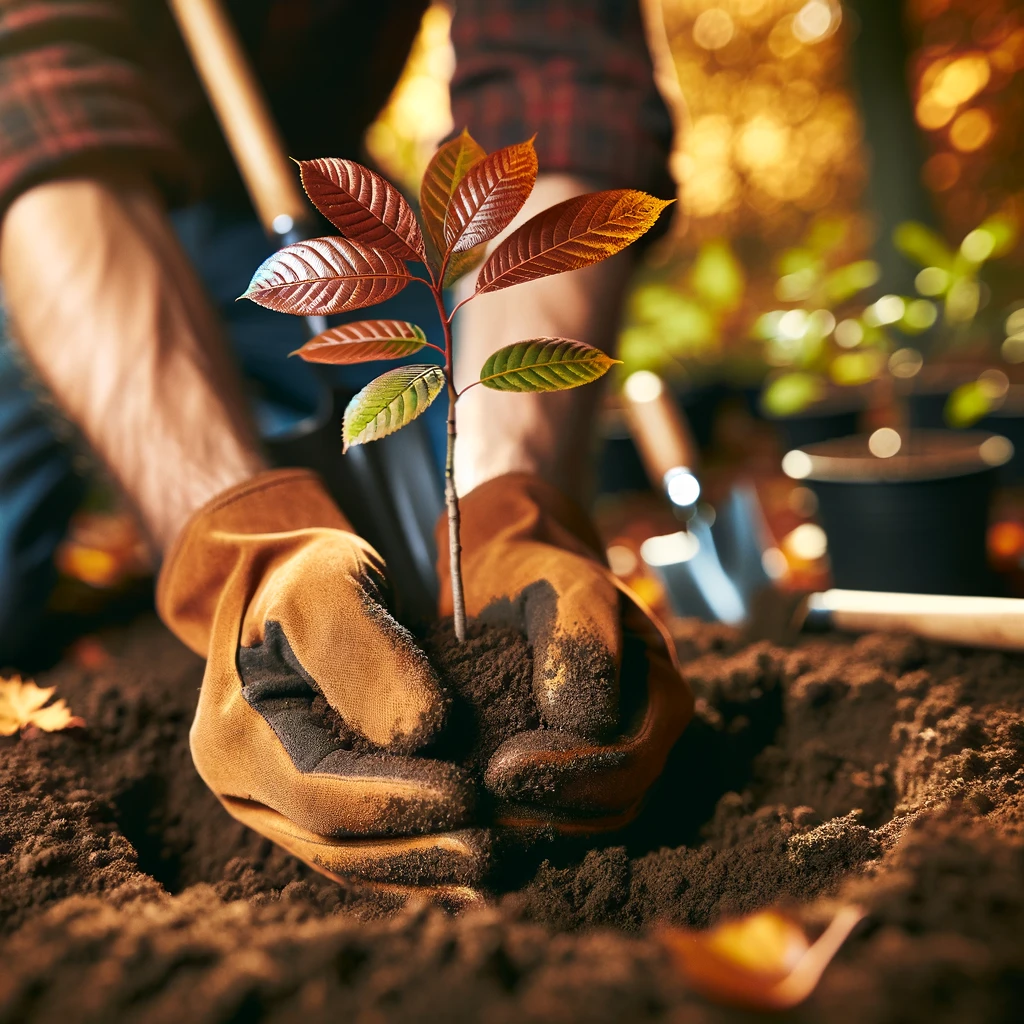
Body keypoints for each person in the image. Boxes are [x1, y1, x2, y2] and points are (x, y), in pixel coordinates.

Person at [0, 0, 693, 896]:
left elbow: (561, 85)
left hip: (298, 204)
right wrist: (238, 548)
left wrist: (504, 496)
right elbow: (35, 106)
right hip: (53, 208)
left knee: (419, 580)